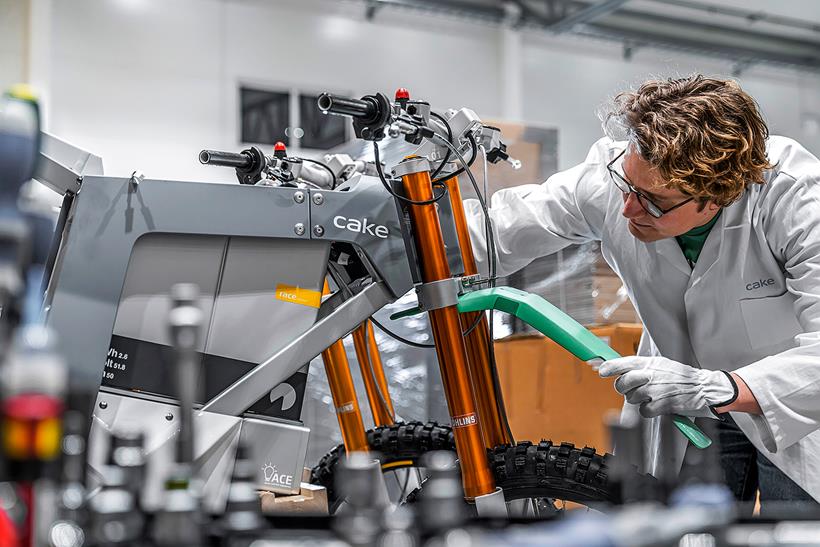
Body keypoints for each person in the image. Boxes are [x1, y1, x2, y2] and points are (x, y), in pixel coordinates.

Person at [465, 75, 820, 512]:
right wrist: (388, 238)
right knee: (681, 529)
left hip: (795, 403)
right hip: (684, 399)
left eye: (654, 200)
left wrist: (717, 388)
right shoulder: (618, 176)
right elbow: (496, 231)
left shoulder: (797, 197)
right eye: (628, 187)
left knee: (795, 528)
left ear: (718, 196)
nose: (629, 207)